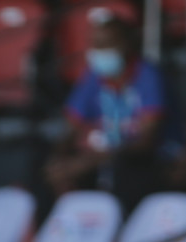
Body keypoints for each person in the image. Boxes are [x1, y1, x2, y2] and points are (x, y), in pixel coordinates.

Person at [44, 11, 173, 213]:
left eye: (108, 43)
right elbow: (70, 128)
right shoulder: (93, 76)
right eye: (96, 44)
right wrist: (58, 158)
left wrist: (91, 161)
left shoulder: (148, 75)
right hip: (101, 156)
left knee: (124, 170)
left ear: (126, 44)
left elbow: (146, 141)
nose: (100, 50)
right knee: (49, 168)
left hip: (143, 159)